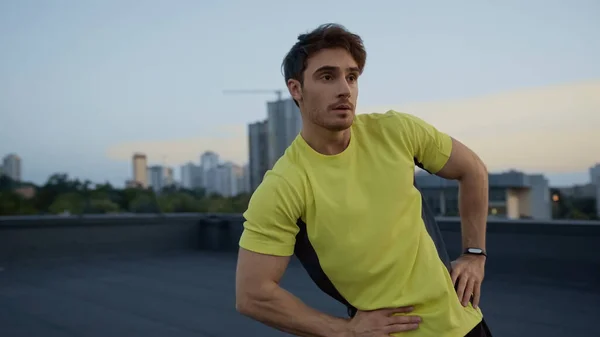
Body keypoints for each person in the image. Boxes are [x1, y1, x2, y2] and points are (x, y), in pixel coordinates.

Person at [235, 23, 492, 337]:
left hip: (468, 322)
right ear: (296, 89)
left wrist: (474, 255)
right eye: (327, 77)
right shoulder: (284, 184)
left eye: (352, 76)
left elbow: (473, 169)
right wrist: (344, 331)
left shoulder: (395, 130)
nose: (344, 88)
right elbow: (252, 294)